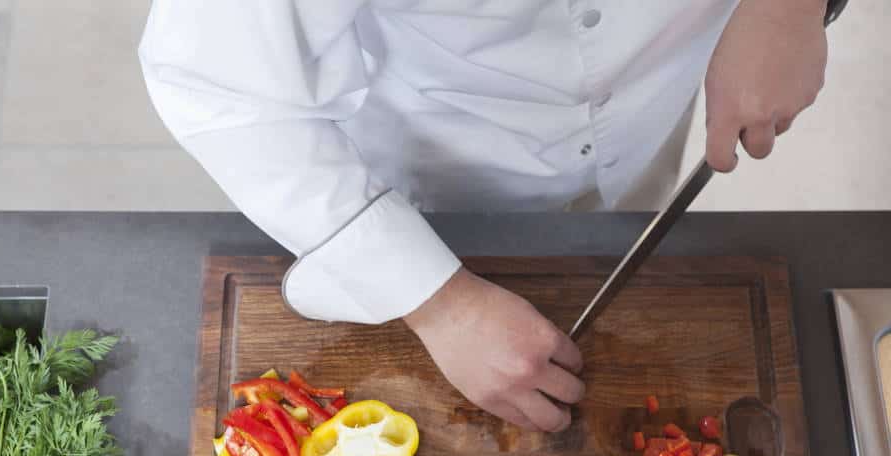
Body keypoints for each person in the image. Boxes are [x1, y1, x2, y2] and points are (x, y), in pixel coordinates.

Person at [139, 1, 841, 433]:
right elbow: (216, 83)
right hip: (444, 151)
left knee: (629, 198)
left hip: (659, 93)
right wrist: (440, 304)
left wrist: (789, 7)